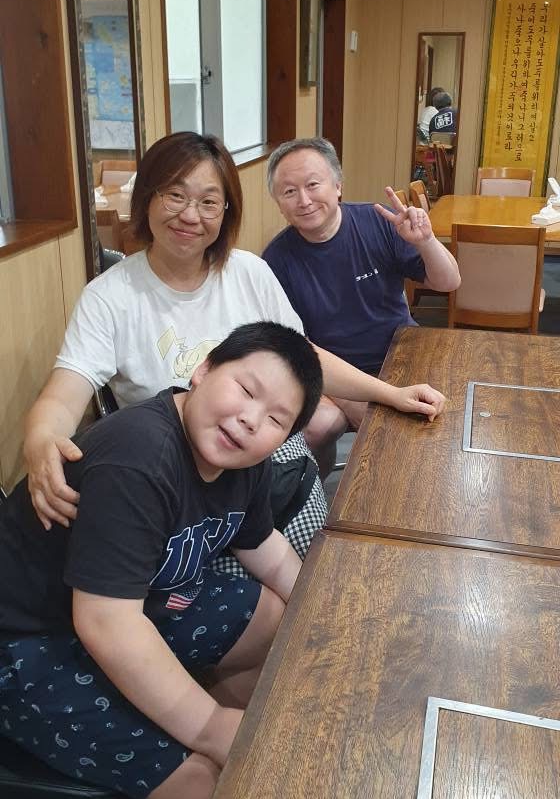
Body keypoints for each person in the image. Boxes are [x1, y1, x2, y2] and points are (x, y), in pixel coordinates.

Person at [25, 131, 445, 543]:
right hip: (174, 477)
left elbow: (304, 357)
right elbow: (65, 394)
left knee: (315, 560)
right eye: (175, 196)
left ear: (226, 211)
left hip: (264, 458)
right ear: (147, 198)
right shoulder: (109, 296)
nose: (191, 216)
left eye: (209, 202)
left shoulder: (248, 272)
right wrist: (42, 438)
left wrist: (391, 394)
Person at [0, 322, 323, 799]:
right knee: (201, 784)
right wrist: (211, 727)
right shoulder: (140, 457)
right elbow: (107, 623)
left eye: (276, 420)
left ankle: (195, 723)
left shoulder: (246, 462)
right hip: (30, 639)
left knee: (273, 618)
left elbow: (263, 545)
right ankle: (192, 749)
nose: (251, 420)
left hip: (134, 604)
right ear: (203, 370)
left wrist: (325, 616)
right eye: (245, 390)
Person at [263, 137, 460, 477]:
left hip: (401, 353)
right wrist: (360, 397)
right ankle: (318, 494)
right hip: (333, 374)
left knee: (440, 413)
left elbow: (448, 282)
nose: (304, 200)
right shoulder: (275, 261)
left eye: (313, 185)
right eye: (289, 191)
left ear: (338, 185)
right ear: (279, 203)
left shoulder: (378, 222)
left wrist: (426, 241)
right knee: (323, 425)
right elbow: (294, 349)